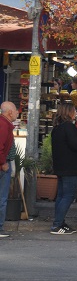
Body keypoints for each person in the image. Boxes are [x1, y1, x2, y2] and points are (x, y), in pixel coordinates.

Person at [50, 103, 77, 235]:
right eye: (74, 111)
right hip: (71, 168)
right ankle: (57, 224)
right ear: (69, 112)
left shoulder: (57, 128)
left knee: (61, 196)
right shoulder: (69, 127)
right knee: (68, 196)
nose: (76, 113)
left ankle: (59, 222)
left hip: (61, 167)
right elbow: (76, 145)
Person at [0, 101, 19, 238]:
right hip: (2, 164)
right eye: (16, 110)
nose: (18, 112)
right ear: (10, 112)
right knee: (2, 198)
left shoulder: (5, 124)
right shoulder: (3, 125)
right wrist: (3, 163)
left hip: (4, 163)